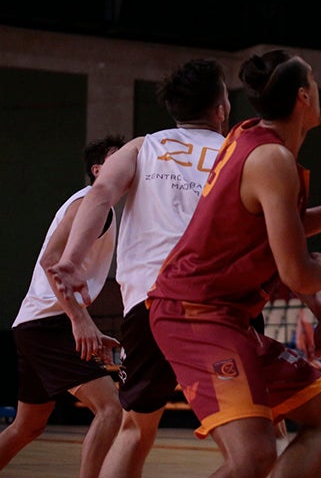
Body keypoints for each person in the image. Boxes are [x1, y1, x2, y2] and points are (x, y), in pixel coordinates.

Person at [146, 49, 321, 478]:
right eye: (315, 81)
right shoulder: (271, 159)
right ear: (303, 96)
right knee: (252, 456)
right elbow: (297, 270)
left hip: (226, 315)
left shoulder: (252, 138)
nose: (319, 90)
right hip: (195, 312)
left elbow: (280, 229)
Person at [49, 58, 231, 478]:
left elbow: (99, 196)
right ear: (221, 107)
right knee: (251, 431)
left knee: (136, 428)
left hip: (148, 307)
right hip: (217, 307)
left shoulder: (140, 147)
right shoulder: (236, 152)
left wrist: (73, 260)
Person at [0, 136, 125, 478]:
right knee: (111, 410)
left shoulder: (103, 208)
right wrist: (80, 320)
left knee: (28, 426)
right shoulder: (90, 201)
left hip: (37, 323)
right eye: (118, 157)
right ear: (98, 170)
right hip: (47, 324)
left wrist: (87, 323)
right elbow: (51, 260)